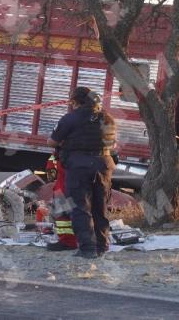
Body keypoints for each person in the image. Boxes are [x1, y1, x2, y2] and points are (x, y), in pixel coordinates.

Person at [47, 86, 116, 259]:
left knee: (80, 207)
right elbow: (112, 144)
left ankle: (87, 248)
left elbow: (52, 142)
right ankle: (102, 245)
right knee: (100, 208)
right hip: (103, 166)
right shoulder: (107, 118)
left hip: (79, 166)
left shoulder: (70, 118)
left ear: (75, 101)